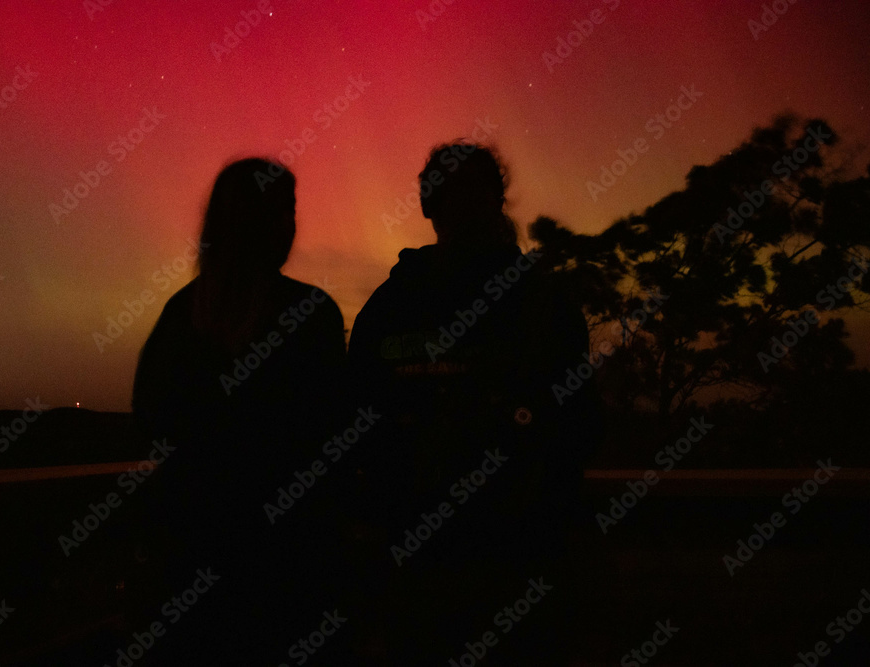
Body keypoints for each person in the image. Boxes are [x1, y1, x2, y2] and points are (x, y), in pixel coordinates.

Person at [346, 142, 603, 663]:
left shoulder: (540, 303)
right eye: (451, 190)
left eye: (472, 189)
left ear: (495, 200)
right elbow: (358, 422)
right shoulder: (394, 304)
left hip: (512, 562)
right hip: (428, 568)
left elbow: (574, 428)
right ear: (428, 204)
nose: (462, 202)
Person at [128, 158, 348, 663]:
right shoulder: (310, 314)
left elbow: (151, 418)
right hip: (287, 565)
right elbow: (333, 431)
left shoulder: (182, 314)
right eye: (284, 210)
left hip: (192, 556)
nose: (292, 225)